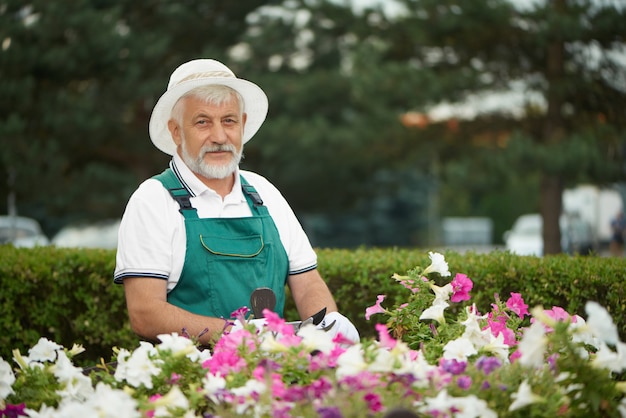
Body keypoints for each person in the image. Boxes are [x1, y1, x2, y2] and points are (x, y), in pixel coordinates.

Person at [114, 58, 359, 345]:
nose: (219, 136)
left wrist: (328, 330)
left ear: (242, 124)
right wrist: (236, 336)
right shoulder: (153, 200)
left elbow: (307, 284)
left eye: (228, 120)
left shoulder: (264, 193)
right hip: (189, 379)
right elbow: (146, 314)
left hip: (270, 376)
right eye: (202, 122)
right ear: (176, 131)